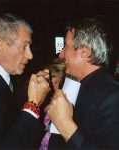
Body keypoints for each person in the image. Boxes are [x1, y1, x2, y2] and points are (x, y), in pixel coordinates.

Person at [0, 13, 50, 148]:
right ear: (0, 45)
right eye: (24, 46)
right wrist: (33, 104)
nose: (30, 55)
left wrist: (31, 94)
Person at [46, 17, 119, 149]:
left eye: (66, 46)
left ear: (84, 51)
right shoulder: (75, 85)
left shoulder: (113, 96)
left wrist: (66, 126)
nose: (61, 54)